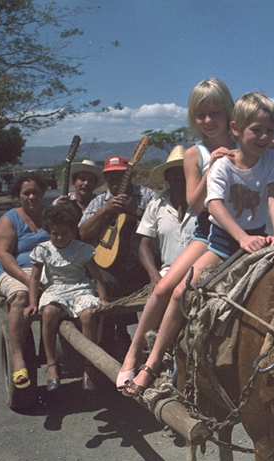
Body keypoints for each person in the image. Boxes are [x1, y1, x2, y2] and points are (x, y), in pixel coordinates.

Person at [125, 92, 274, 395]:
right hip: (222, 239)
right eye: (257, 130)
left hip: (257, 236)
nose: (264, 136)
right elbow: (211, 205)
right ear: (238, 128)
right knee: (177, 292)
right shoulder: (219, 163)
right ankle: (151, 361)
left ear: (228, 117)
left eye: (269, 130)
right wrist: (242, 237)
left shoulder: (270, 158)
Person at [117, 78, 236, 391]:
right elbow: (195, 204)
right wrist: (214, 167)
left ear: (228, 112)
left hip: (243, 230)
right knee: (166, 289)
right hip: (210, 232)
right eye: (201, 115)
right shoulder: (195, 154)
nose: (208, 120)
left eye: (215, 113)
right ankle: (137, 356)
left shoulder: (243, 145)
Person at [23, 203, 107, 391]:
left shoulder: (82, 249)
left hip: (80, 288)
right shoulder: (44, 249)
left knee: (88, 315)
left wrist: (103, 298)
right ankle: (52, 365)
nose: (60, 238)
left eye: (64, 233)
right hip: (56, 289)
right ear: (49, 232)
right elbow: (34, 278)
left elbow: (97, 276)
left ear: (73, 231)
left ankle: (89, 366)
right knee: (49, 313)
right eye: (55, 234)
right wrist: (32, 303)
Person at [0, 175, 50, 390]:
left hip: (48, 270)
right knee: (21, 296)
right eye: (27, 193)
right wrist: (28, 279)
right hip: (16, 271)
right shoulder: (9, 219)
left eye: (36, 192)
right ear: (19, 195)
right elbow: (4, 254)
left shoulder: (50, 215)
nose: (32, 197)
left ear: (43, 193)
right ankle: (18, 358)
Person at [77, 155, 156, 298]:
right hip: (107, 265)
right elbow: (82, 234)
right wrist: (104, 211)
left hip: (142, 263)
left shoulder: (148, 195)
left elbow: (161, 226)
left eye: (120, 175)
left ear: (129, 176)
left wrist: (136, 211)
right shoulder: (99, 201)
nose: (114, 180)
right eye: (110, 176)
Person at [136, 145, 197, 285]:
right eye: (174, 176)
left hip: (202, 269)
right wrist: (154, 274)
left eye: (183, 175)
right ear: (167, 178)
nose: (179, 180)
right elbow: (144, 245)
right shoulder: (156, 205)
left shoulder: (203, 204)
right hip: (168, 272)